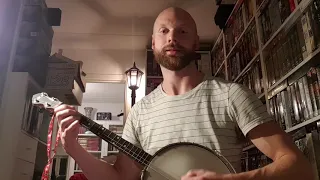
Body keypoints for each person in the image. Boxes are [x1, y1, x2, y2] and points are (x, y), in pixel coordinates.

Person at [54, 6, 315, 180]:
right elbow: (121, 177)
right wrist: (74, 149)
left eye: (182, 31)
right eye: (164, 31)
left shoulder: (230, 95)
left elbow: (298, 166)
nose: (172, 38)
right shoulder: (141, 111)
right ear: (154, 42)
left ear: (194, 41)